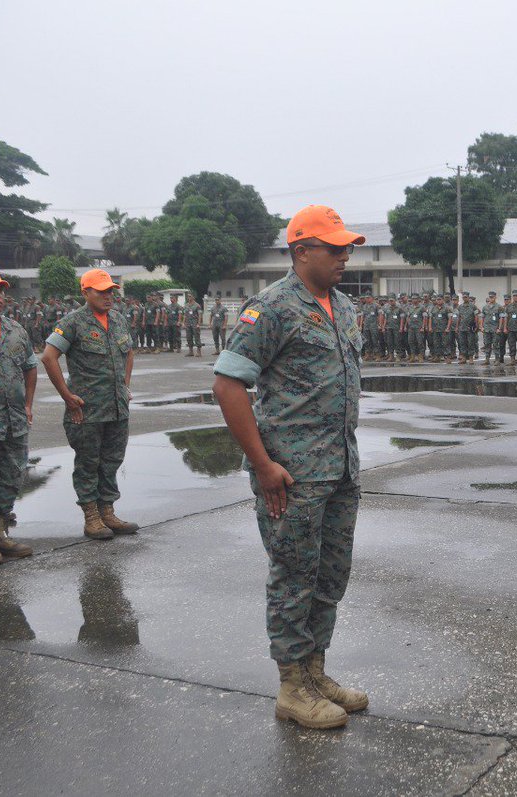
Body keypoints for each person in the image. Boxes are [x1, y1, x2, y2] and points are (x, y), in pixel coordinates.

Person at [212, 204, 367, 731]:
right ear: (302, 252)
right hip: (291, 475)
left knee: (330, 577)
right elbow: (229, 385)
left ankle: (315, 672)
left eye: (348, 247)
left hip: (340, 470)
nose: (345, 256)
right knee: (293, 578)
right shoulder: (272, 307)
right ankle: (290, 688)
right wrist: (262, 465)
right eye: (335, 248)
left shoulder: (343, 306)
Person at [40, 269, 138, 539]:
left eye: (110, 291)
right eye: (101, 291)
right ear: (85, 292)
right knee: (88, 463)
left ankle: (108, 511)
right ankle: (91, 517)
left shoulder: (118, 319)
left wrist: (124, 386)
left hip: (117, 408)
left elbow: (128, 352)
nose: (108, 296)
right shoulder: (72, 322)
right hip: (87, 410)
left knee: (111, 461)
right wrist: (67, 396)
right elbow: (49, 357)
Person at [0, 268, 37, 565]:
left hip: (13, 420)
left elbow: (29, 366)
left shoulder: (16, 330)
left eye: (1, 290)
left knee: (10, 477)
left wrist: (27, 404)